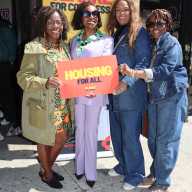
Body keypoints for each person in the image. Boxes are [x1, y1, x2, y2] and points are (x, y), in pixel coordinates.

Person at [120, 9, 188, 192]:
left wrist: (134, 73)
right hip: (156, 98)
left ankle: (163, 182)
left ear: (167, 25)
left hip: (171, 98)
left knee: (166, 141)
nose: (154, 28)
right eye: (151, 24)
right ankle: (157, 172)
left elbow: (164, 70)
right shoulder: (154, 44)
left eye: (159, 24)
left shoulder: (171, 43)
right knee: (153, 140)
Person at [17, 6, 73, 189]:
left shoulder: (64, 47)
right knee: (44, 139)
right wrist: (45, 82)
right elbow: (23, 77)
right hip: (43, 104)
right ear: (43, 24)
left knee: (61, 139)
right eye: (50, 22)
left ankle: (45, 166)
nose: (55, 26)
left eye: (58, 22)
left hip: (61, 104)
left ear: (63, 25)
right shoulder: (34, 47)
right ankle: (47, 173)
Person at [106, 0, 151, 191]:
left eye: (125, 9)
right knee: (117, 134)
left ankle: (135, 173)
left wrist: (126, 82)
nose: (121, 13)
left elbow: (143, 61)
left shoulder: (139, 32)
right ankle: (123, 165)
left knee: (130, 137)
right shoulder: (117, 33)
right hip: (114, 93)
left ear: (132, 11)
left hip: (130, 94)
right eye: (118, 10)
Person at [70, 1, 113, 188]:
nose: (92, 17)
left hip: (94, 94)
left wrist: (92, 86)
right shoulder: (75, 40)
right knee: (79, 131)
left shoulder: (106, 40)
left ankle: (90, 172)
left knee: (90, 132)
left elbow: (105, 69)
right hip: (77, 94)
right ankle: (79, 168)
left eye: (95, 13)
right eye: (87, 14)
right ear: (81, 17)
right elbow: (71, 68)